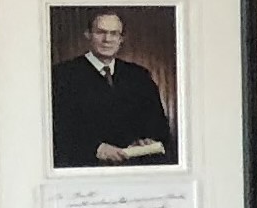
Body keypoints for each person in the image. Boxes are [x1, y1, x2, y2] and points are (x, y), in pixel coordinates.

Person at [51, 11, 172, 166]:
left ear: (121, 39)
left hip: (133, 166)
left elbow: (159, 126)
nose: (107, 39)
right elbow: (57, 129)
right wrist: (96, 148)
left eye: (114, 33)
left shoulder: (139, 76)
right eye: (100, 32)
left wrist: (148, 140)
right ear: (88, 35)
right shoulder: (62, 75)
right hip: (85, 167)